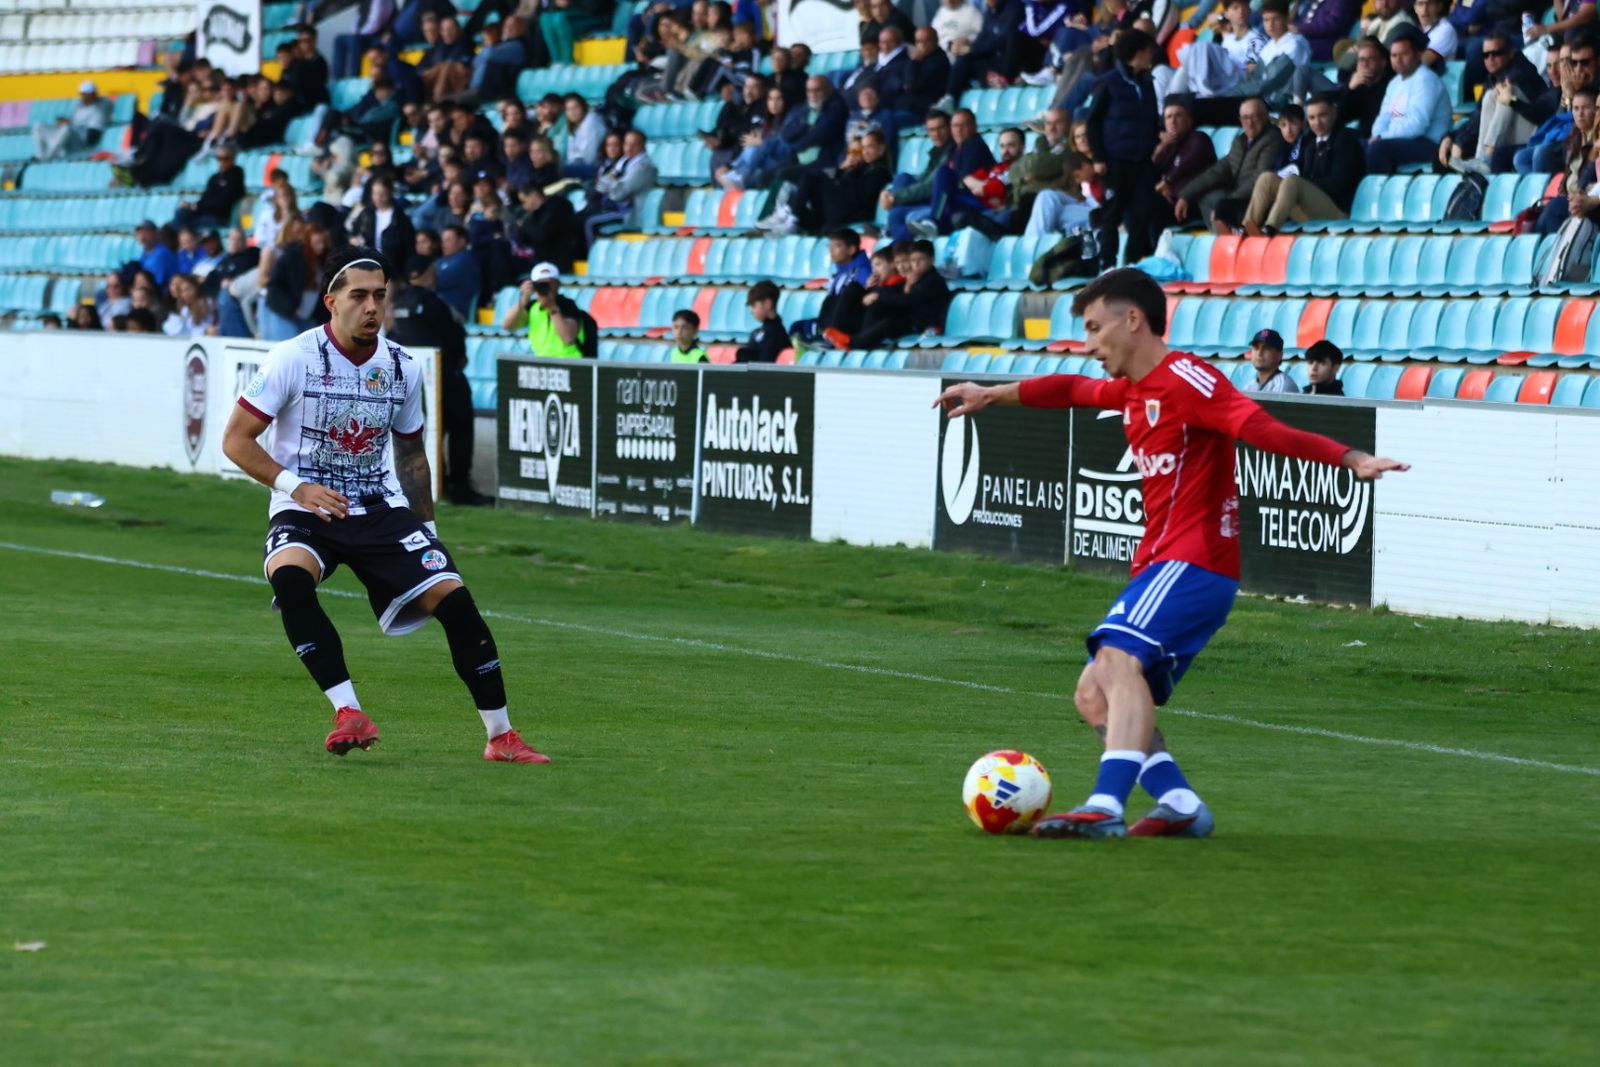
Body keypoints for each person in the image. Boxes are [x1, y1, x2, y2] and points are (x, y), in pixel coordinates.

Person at [931, 268, 1406, 838]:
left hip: (1195, 560)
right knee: (1091, 692)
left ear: (1132, 321)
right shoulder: (1133, 388)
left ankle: (1106, 804)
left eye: (1093, 327)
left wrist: (1348, 456)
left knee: (1114, 660)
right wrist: (993, 394)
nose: (1087, 343)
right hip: (1163, 564)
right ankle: (1179, 804)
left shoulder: (1186, 379)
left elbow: (1259, 427)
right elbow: (1069, 390)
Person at [220, 248, 549, 764]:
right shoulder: (292, 357)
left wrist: (429, 528)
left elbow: (412, 451)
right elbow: (236, 440)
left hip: (379, 507)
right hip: (306, 506)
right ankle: (347, 710)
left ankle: (501, 736)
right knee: (290, 580)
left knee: (457, 603)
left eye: (380, 296)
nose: (372, 307)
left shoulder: (402, 366)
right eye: (359, 296)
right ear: (331, 301)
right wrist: (296, 487)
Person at [386, 254, 492, 507]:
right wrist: (458, 358)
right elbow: (452, 336)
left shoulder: (400, 304)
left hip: (418, 378)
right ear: (427, 273)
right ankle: (459, 485)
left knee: (432, 429)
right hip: (445, 375)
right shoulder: (432, 302)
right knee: (460, 428)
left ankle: (439, 480)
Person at [1083, 29, 1159, 270]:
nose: (1151, 56)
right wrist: (1098, 156)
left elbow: (1151, 118)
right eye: (1148, 50)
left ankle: (1133, 263)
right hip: (1115, 160)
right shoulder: (1109, 82)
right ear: (1136, 53)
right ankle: (1106, 264)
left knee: (1142, 212)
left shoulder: (1147, 83)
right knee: (1111, 214)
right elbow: (1092, 121)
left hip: (1142, 160)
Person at [1244, 94, 1367, 236]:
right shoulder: (1309, 144)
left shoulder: (1346, 141)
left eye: (1322, 116)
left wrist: (1304, 183)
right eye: (1312, 118)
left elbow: (1338, 184)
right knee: (1266, 179)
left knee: (1293, 181)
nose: (1317, 122)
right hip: (1310, 210)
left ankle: (1270, 229)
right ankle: (1247, 229)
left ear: (1334, 113)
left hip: (1338, 213)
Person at [1440, 31, 1556, 174]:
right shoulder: (1494, 76)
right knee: (1490, 96)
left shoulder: (1519, 73)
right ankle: (1481, 158)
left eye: (1496, 53)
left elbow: (1538, 113)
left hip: (1536, 133)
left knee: (1506, 93)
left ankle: (1487, 157)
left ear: (1511, 53)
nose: (1490, 59)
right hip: (1512, 132)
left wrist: (1459, 141)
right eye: (1485, 55)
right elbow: (1477, 114)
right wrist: (1455, 139)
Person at [1175, 96, 1278, 236]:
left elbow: (1259, 178)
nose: (1250, 122)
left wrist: (1227, 203)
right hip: (1237, 199)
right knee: (1207, 197)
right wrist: (1186, 195)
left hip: (1256, 200)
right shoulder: (1241, 141)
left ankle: (1232, 239)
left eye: (1255, 117)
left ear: (1266, 116)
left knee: (1221, 205)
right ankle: (1223, 239)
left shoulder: (1273, 138)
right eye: (1245, 118)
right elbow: (1216, 171)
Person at [830, 238, 950, 348]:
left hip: (921, 324)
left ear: (931, 260)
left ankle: (853, 343)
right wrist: (873, 290)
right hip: (909, 318)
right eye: (913, 260)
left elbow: (907, 300)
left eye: (921, 259)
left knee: (887, 324)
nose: (916, 264)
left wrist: (880, 295)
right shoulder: (916, 278)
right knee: (871, 303)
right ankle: (841, 335)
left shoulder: (933, 280)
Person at [1367, 28, 1451, 175]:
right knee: (1355, 145)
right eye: (1394, 55)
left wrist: (1381, 138)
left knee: (1378, 150)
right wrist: (1377, 135)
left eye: (1404, 54)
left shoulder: (1426, 80)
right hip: (1401, 140)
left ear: (1418, 54)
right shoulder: (1395, 82)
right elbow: (1384, 117)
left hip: (1429, 143)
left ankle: (1382, 193)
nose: (1398, 59)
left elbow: (1416, 125)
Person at [880, 110, 953, 241]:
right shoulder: (938, 151)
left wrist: (895, 196)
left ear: (949, 127)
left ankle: (898, 246)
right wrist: (890, 192)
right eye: (931, 130)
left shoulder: (951, 151)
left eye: (940, 128)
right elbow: (923, 178)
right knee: (902, 178)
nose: (936, 134)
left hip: (940, 205)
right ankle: (893, 232)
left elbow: (929, 186)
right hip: (928, 199)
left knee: (896, 215)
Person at [791, 228, 872, 345]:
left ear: (851, 249)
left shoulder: (863, 272)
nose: (831, 250)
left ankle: (827, 337)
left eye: (837, 246)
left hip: (849, 323)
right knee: (797, 327)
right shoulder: (839, 273)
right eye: (830, 246)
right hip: (830, 321)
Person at [580, 128, 658, 246]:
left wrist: (612, 183)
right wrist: (612, 183)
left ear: (642, 146)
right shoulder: (625, 163)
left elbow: (618, 193)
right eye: (626, 144)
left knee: (590, 222)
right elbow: (601, 185)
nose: (629, 148)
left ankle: (592, 258)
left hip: (631, 214)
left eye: (634, 144)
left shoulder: (644, 167)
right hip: (619, 208)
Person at [501, 261, 591, 359]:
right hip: (543, 363)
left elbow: (568, 338)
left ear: (558, 284)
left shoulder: (568, 305)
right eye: (541, 284)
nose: (546, 288)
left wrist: (552, 308)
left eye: (549, 283)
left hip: (568, 362)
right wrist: (522, 301)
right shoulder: (533, 307)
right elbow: (508, 325)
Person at [32, 80, 111, 161]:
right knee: (38, 126)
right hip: (67, 138)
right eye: (83, 94)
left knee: (66, 129)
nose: (85, 96)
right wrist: (65, 122)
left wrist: (70, 125)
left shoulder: (98, 109)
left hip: (80, 143)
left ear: (94, 94)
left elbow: (92, 136)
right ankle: (41, 156)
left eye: (88, 94)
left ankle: (48, 158)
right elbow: (74, 121)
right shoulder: (80, 105)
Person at [432, 224, 479, 321]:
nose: (443, 244)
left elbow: (434, 280)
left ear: (462, 242)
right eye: (443, 241)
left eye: (448, 240)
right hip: (442, 308)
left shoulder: (466, 259)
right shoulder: (441, 260)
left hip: (458, 312)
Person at [735, 280, 788, 362]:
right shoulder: (759, 332)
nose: (751, 311)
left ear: (768, 304)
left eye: (753, 305)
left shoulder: (776, 333)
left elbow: (764, 364)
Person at [1241, 328, 1298, 392]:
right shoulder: (1249, 386)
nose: (1259, 353)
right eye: (1256, 347)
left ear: (1279, 355)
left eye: (1266, 348)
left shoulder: (1283, 385)